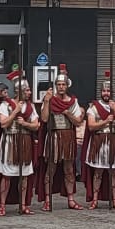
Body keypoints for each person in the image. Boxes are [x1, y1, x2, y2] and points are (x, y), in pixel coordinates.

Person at [0, 79, 38, 217]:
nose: (29, 92)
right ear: (19, 91)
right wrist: (15, 111)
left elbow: (36, 125)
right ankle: (2, 205)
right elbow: (3, 124)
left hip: (25, 142)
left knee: (25, 176)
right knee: (7, 176)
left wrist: (26, 125)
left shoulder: (30, 107)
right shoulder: (6, 105)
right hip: (9, 142)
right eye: (27, 90)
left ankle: (23, 205)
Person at [82, 73, 115, 210]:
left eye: (108, 90)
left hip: (114, 140)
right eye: (104, 90)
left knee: (114, 172)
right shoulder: (93, 107)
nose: (106, 93)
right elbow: (91, 126)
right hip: (99, 141)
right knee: (98, 172)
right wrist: (105, 122)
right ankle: (95, 199)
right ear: (101, 92)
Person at [38, 68, 82, 211]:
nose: (61, 87)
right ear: (56, 85)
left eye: (63, 84)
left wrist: (67, 113)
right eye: (59, 84)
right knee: (51, 168)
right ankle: (47, 200)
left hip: (68, 136)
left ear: (67, 86)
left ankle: (70, 199)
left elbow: (77, 122)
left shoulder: (73, 102)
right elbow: (44, 119)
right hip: (54, 136)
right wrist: (46, 101)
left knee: (69, 169)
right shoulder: (51, 100)